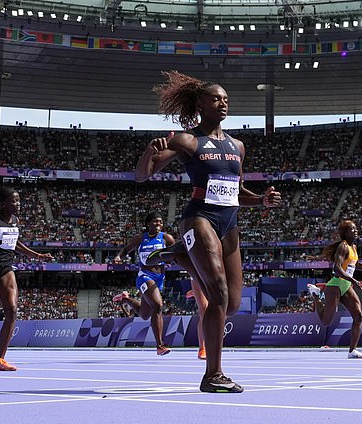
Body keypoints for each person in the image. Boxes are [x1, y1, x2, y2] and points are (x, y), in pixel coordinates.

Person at [135, 70, 281, 393]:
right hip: (199, 219)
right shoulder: (188, 139)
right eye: (216, 98)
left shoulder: (237, 146)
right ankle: (212, 374)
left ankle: (180, 256)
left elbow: (238, 192)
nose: (223, 103)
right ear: (201, 103)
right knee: (217, 295)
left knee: (231, 303)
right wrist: (150, 150)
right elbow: (142, 175)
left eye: (226, 99)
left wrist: (263, 201)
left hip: (229, 223)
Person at [0, 187, 53, 371]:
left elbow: (16, 244)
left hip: (6, 269)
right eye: (14, 201)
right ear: (3, 203)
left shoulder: (15, 221)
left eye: (19, 201)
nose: (18, 204)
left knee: (12, 310)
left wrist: (38, 256)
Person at [307, 220, 362, 359]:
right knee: (326, 322)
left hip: (346, 285)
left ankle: (352, 351)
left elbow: (357, 265)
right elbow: (337, 268)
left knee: (358, 316)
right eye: (352, 229)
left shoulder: (353, 247)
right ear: (345, 233)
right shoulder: (342, 247)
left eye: (356, 229)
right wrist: (353, 280)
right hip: (335, 285)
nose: (355, 231)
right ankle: (317, 296)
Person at [112, 211, 174, 356]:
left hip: (160, 277)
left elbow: (177, 251)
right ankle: (160, 345)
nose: (158, 223)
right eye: (155, 221)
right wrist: (118, 257)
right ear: (148, 224)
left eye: (160, 221)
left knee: (144, 314)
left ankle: (125, 299)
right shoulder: (140, 238)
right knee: (158, 305)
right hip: (145, 276)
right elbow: (126, 249)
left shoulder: (166, 238)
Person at [147, 240, 207, 360]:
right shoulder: (190, 239)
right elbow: (151, 259)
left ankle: (195, 292)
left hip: (215, 271)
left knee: (226, 309)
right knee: (204, 310)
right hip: (198, 274)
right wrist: (162, 255)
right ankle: (203, 348)